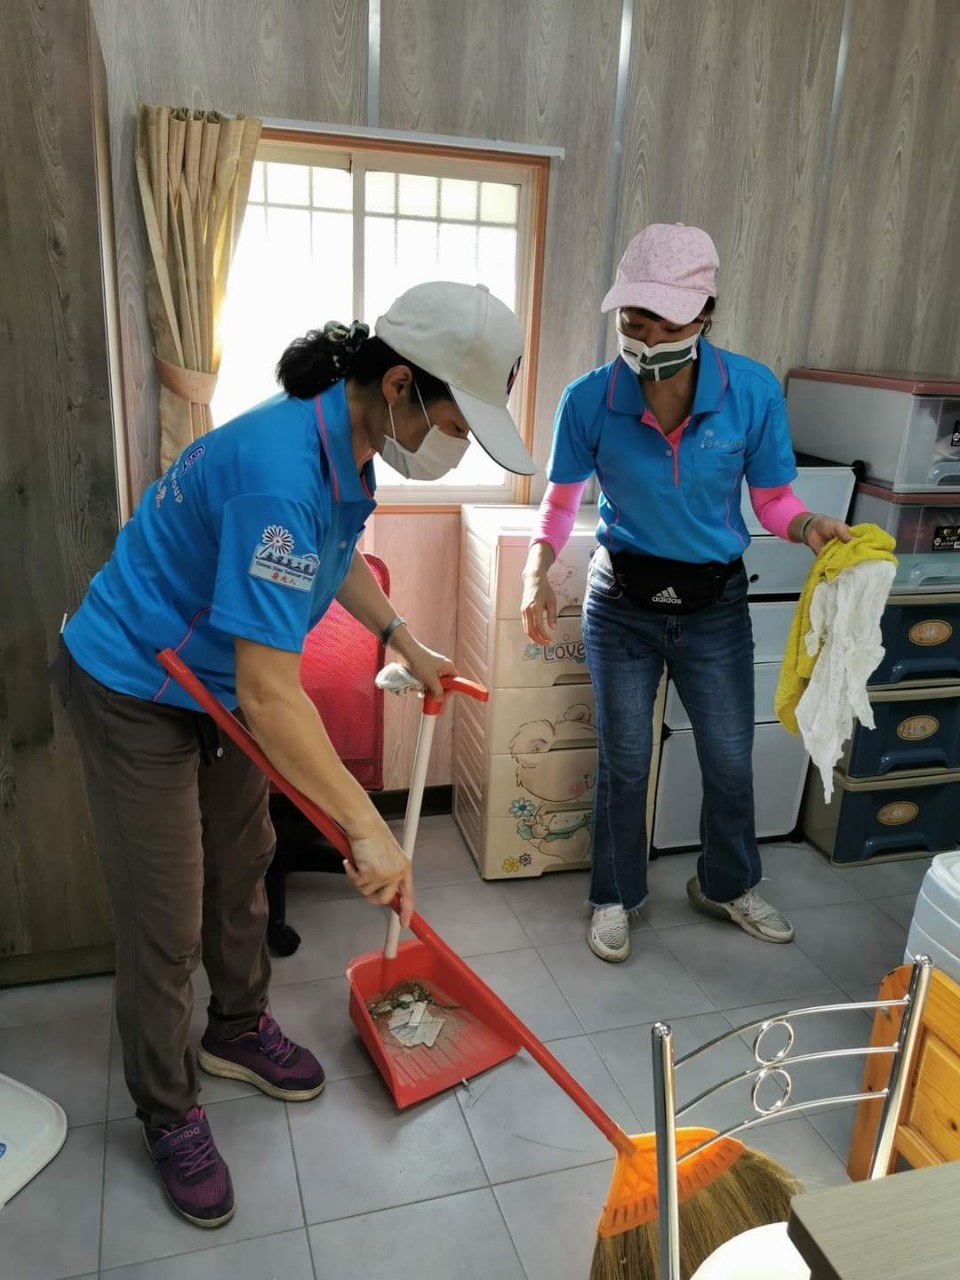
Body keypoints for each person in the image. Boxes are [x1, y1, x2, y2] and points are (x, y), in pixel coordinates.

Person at [51, 281, 535, 1227]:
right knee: (166, 916)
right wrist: (367, 830)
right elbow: (275, 694)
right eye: (452, 422)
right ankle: (168, 1111)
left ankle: (236, 1029)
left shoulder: (345, 446)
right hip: (136, 684)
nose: (454, 444)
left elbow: (334, 554)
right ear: (398, 383)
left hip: (214, 685)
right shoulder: (280, 469)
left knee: (244, 865)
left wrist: (404, 638)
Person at [520, 224, 851, 964]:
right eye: (633, 320)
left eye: (665, 324)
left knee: (730, 757)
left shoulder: (750, 392)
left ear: (705, 314)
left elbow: (772, 499)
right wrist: (535, 570)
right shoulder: (589, 399)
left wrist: (808, 527)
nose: (645, 339)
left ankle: (727, 885)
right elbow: (561, 502)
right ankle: (614, 895)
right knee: (625, 760)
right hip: (622, 604)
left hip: (714, 607)